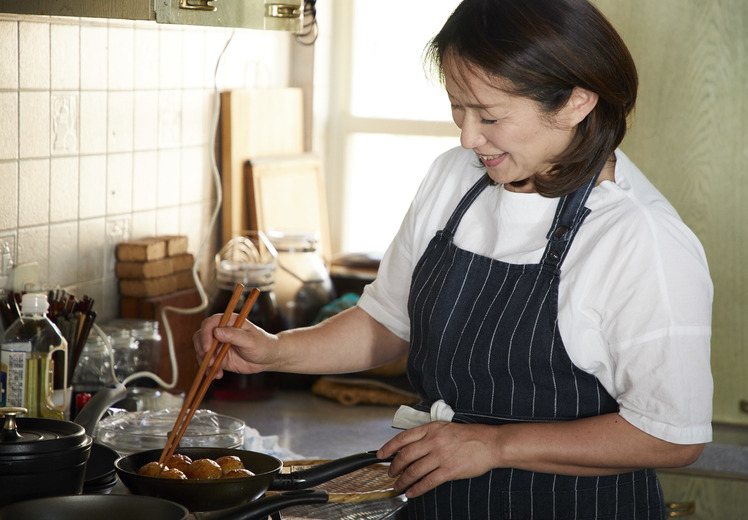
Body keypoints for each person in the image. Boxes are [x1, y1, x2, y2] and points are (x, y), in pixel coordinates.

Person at [193, 0, 713, 517]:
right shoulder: (455, 177)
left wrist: (494, 446)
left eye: (489, 115)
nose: (467, 137)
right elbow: (388, 323)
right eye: (457, 106)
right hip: (436, 501)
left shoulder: (640, 239)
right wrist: (276, 351)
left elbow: (671, 436)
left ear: (577, 102)